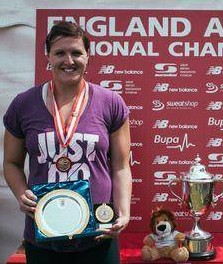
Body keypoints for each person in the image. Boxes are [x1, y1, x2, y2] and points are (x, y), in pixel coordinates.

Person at [3, 21, 132, 264]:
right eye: (60, 53)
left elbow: (121, 166)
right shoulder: (23, 104)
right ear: (48, 57)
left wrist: (123, 213)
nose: (69, 60)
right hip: (43, 232)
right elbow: (10, 163)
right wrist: (21, 194)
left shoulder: (110, 102)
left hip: (98, 233)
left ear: (88, 57)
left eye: (76, 53)